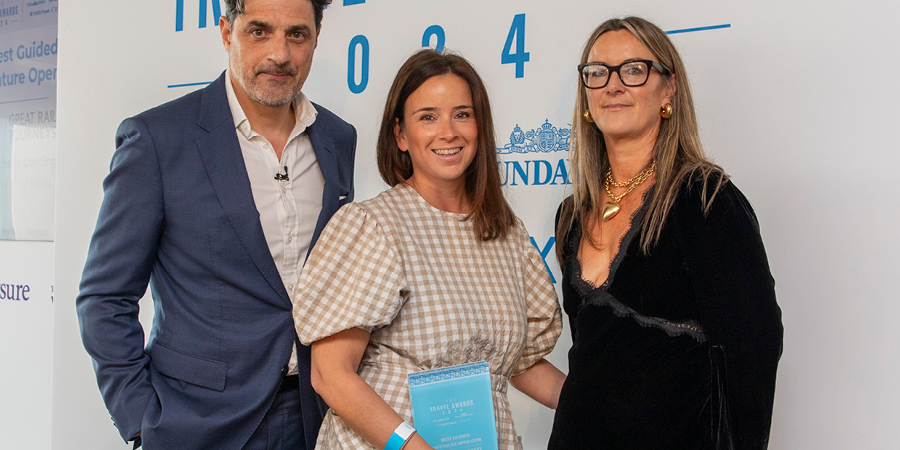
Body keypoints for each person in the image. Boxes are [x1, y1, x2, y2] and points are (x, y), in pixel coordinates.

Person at [75, 0, 355, 448]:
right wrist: (141, 418)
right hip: (196, 422)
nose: (280, 54)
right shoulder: (158, 139)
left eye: (297, 34)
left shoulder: (338, 138)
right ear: (227, 32)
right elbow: (104, 297)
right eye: (259, 31)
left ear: (316, 38)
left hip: (312, 415)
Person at [291, 49, 565, 450]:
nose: (448, 132)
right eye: (428, 117)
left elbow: (516, 364)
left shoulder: (506, 234)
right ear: (400, 135)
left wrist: (604, 405)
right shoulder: (375, 225)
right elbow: (330, 375)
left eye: (462, 114)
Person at [548, 17, 783, 450]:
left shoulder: (706, 200)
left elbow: (753, 351)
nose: (612, 85)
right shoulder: (571, 215)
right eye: (597, 72)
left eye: (633, 70)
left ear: (668, 88)